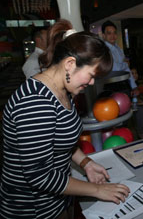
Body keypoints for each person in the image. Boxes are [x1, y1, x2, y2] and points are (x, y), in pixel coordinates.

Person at [0, 20, 130, 219]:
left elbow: (59, 141)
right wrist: (97, 191)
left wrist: (86, 163)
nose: (92, 82)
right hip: (35, 209)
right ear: (70, 64)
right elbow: (39, 175)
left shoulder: (62, 89)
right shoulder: (36, 103)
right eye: (91, 75)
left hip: (59, 198)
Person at [101, 20, 138, 96]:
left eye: (114, 32)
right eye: (109, 33)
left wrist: (134, 86)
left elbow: (126, 69)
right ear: (103, 35)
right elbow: (114, 68)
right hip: (110, 86)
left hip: (123, 84)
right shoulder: (103, 50)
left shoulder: (118, 49)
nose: (113, 35)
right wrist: (125, 64)